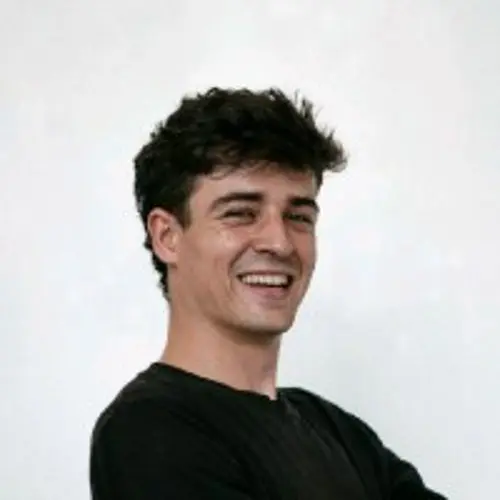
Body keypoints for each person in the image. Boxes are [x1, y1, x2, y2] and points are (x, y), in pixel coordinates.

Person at [90, 87, 447, 499]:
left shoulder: (337, 432)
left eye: (299, 217)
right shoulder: (148, 431)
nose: (280, 243)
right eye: (241, 213)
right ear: (167, 237)